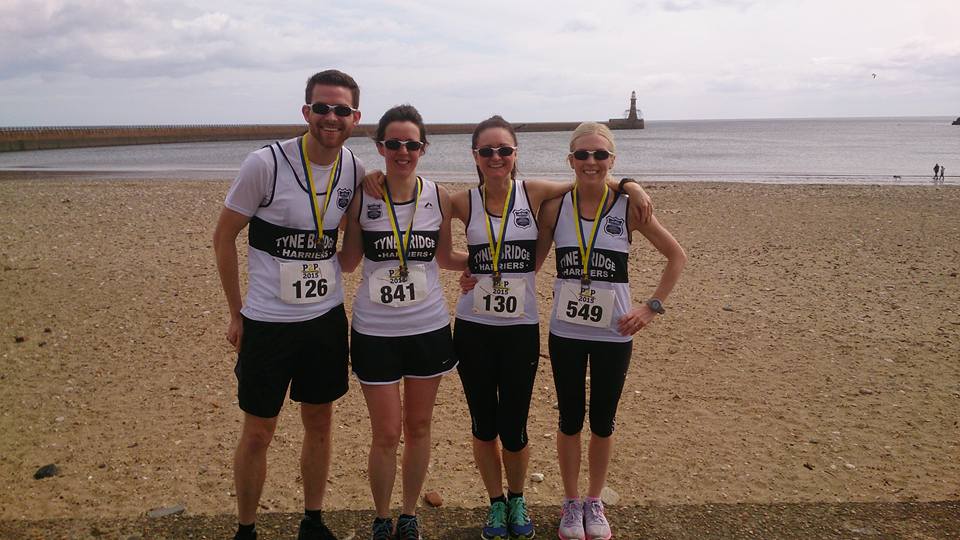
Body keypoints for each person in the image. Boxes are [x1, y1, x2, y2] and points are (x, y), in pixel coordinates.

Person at [363, 115, 653, 540]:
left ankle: (517, 497)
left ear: (515, 154)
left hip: (520, 330)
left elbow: (588, 179)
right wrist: (479, 267)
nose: (495, 158)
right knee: (483, 424)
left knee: (514, 427)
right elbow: (443, 255)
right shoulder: (460, 201)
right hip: (473, 327)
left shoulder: (533, 192)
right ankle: (495, 503)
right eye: (486, 151)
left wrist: (630, 184)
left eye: (504, 150)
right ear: (475, 157)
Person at [212, 69, 364, 540]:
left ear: (355, 117)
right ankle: (246, 528)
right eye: (322, 107)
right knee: (259, 430)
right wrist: (236, 313)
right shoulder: (265, 164)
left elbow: (351, 255)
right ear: (306, 112)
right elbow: (222, 238)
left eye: (341, 109)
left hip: (324, 320)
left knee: (320, 421)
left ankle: (312, 520)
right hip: (268, 323)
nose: (331, 117)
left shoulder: (354, 168)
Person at [535, 122, 686, 540]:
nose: (591, 162)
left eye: (600, 155)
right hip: (565, 331)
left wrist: (651, 308)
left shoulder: (628, 208)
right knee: (569, 419)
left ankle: (594, 500)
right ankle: (571, 502)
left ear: (612, 161)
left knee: (602, 421)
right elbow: (530, 264)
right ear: (570, 161)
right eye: (582, 155)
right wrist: (482, 276)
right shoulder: (554, 208)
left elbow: (676, 256)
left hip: (614, 333)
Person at [338, 104, 467, 540]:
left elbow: (446, 257)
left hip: (428, 329)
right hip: (374, 332)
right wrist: (292, 256)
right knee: (386, 433)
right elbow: (350, 261)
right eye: (393, 143)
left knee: (419, 427)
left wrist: (492, 266)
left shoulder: (439, 196)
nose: (402, 151)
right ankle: (380, 515)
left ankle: (409, 514)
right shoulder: (363, 194)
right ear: (380, 147)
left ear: (423, 148)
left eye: (411, 143)